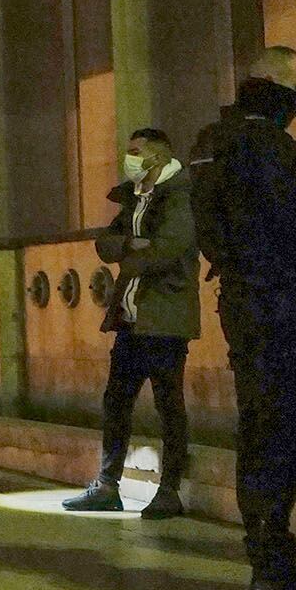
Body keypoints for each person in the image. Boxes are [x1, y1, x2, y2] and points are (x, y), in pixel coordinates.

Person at [188, 46, 296, 590]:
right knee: (284, 430)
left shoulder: (212, 142)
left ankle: (273, 564)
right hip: (276, 302)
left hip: (242, 299)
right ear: (275, 87)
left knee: (259, 428)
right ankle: (271, 575)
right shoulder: (268, 145)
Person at [63, 128, 199, 521]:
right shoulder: (136, 198)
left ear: (157, 156)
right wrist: (130, 244)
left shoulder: (179, 196)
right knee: (116, 401)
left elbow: (169, 250)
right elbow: (106, 243)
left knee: (168, 405)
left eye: (136, 151)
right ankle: (108, 486)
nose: (129, 157)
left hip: (164, 321)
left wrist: (134, 249)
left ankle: (169, 490)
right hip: (131, 320)